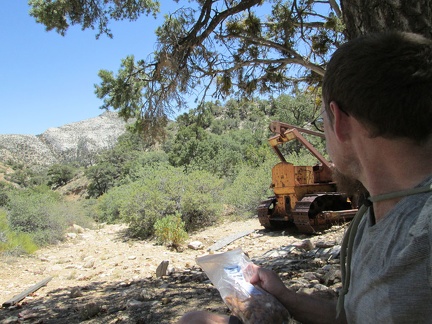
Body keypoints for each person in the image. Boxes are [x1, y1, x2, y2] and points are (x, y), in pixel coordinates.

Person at [177, 31, 432, 324]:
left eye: (322, 118)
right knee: (196, 319)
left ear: (338, 121)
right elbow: (350, 316)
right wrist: (285, 297)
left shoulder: (422, 236)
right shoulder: (374, 215)